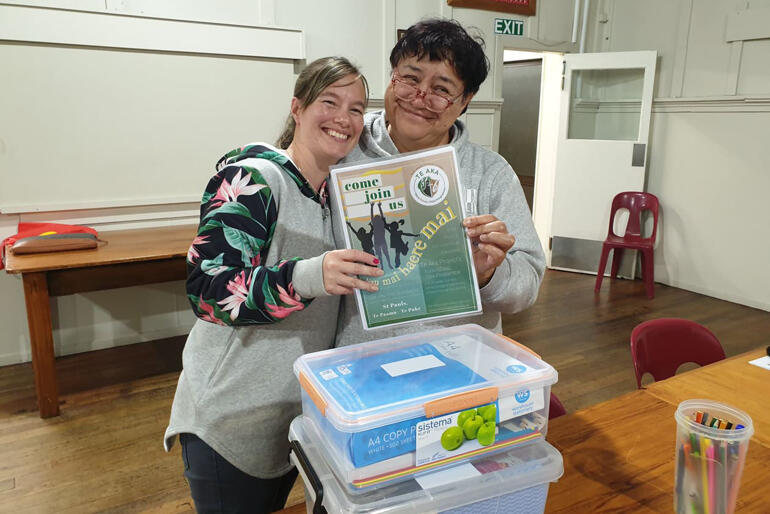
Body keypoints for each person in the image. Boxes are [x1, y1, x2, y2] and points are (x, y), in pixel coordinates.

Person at [164, 57, 382, 514]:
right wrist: (308, 276)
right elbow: (209, 290)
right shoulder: (253, 180)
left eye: (358, 109)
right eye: (330, 101)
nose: (344, 118)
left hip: (294, 421)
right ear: (297, 108)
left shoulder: (340, 198)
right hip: (230, 424)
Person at [331, 19, 546, 347]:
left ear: (465, 101)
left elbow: (526, 288)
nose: (419, 97)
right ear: (391, 77)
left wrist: (488, 273)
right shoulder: (343, 150)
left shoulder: (490, 172)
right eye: (410, 78)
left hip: (462, 363)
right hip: (363, 361)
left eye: (442, 89)